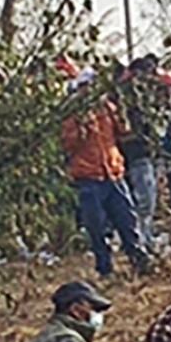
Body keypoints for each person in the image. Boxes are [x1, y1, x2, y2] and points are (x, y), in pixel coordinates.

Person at [60, 84, 152, 281]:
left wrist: (118, 111)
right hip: (88, 177)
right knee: (96, 226)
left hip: (113, 173)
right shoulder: (71, 116)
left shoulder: (107, 108)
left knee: (127, 219)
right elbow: (68, 144)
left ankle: (139, 260)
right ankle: (105, 269)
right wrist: (82, 127)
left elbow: (124, 132)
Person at [120, 54, 170, 253]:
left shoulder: (148, 98)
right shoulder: (128, 97)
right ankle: (141, 241)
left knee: (145, 201)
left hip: (144, 154)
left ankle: (143, 238)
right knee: (144, 201)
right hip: (135, 155)